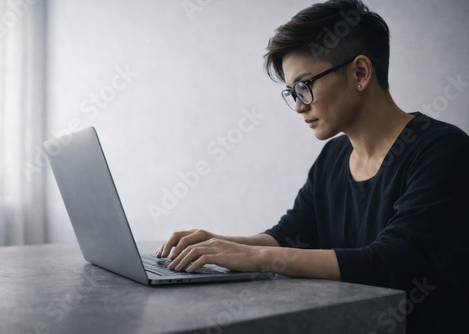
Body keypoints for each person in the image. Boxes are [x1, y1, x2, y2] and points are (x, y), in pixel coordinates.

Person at [156, 0, 469, 332]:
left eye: (305, 86)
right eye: (292, 92)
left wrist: (255, 258)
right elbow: (291, 236)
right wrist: (219, 244)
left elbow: (393, 263)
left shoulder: (443, 151)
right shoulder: (333, 157)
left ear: (360, 73)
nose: (298, 107)